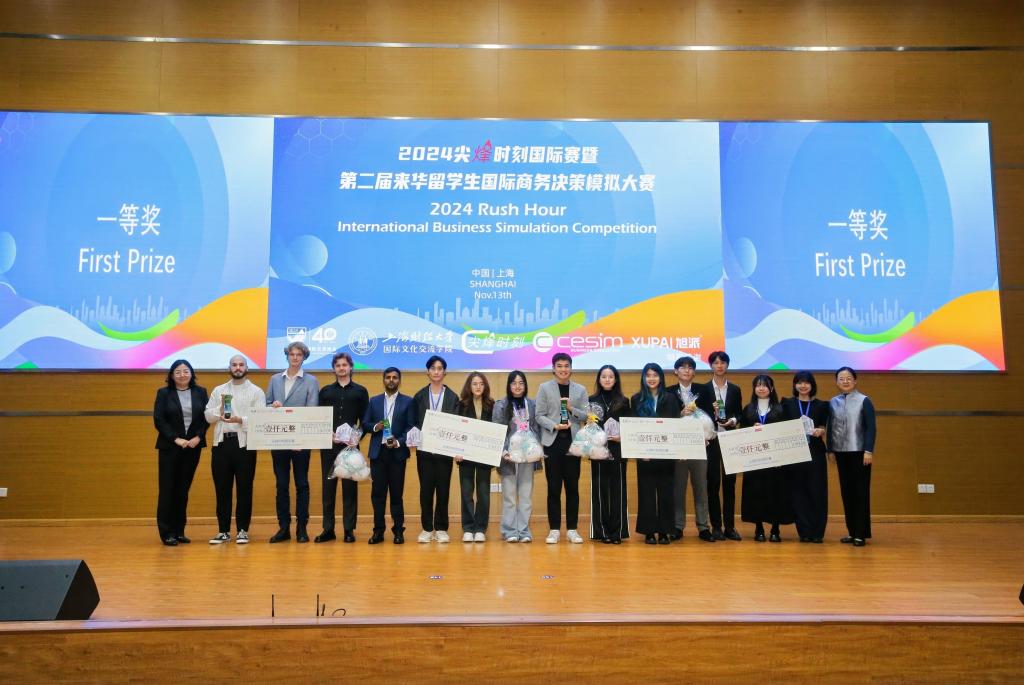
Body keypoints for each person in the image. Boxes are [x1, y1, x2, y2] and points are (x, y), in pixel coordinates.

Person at [203, 355, 266, 545]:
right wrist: (220, 410)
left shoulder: (256, 391)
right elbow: (207, 416)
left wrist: (240, 420)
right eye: (234, 365)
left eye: (241, 365)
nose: (237, 368)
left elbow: (261, 418)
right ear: (229, 367)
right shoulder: (219, 390)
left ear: (247, 368)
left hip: (244, 445)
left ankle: (242, 530)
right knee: (222, 489)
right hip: (221, 445)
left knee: (244, 489)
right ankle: (223, 531)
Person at [266, 341, 320, 544]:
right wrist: (272, 406)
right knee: (281, 485)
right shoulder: (274, 379)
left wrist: (302, 439)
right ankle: (283, 528)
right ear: (287, 356)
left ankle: (301, 528)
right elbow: (265, 405)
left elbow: (312, 411)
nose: (295, 357)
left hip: (300, 442)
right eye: (292, 354)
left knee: (302, 484)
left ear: (304, 357)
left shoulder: (311, 381)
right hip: (278, 440)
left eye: (299, 354)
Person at [152, 359, 209, 546]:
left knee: (183, 490)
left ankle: (179, 531)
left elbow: (206, 418)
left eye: (186, 371)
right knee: (168, 489)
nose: (182, 375)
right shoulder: (163, 393)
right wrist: (176, 439)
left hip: (192, 447)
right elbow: (159, 420)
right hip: (170, 447)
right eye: (178, 372)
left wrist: (198, 437)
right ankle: (166, 532)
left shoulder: (201, 392)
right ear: (171, 375)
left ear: (191, 373)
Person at [535, 352, 590, 544]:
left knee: (573, 488)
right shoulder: (544, 388)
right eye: (559, 366)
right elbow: (539, 415)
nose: (563, 369)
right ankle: (554, 530)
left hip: (573, 443)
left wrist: (572, 409)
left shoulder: (580, 390)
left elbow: (587, 416)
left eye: (566, 366)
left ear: (571, 368)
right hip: (553, 443)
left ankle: (572, 530)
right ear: (553, 368)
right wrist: (554, 425)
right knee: (553, 488)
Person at [315, 352, 369, 544]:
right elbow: (319, 418)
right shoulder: (326, 391)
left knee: (349, 489)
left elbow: (365, 421)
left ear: (350, 367)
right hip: (329, 446)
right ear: (334, 368)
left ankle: (348, 530)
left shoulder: (360, 391)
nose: (341, 368)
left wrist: (357, 436)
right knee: (328, 488)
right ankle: (328, 529)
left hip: (350, 448)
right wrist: (327, 433)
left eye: (344, 365)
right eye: (338, 365)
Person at [362, 367, 416, 544]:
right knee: (377, 495)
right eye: (388, 377)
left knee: (396, 495)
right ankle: (378, 531)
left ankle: (398, 531)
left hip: (397, 454)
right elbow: (365, 423)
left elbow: (410, 427)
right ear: (383, 380)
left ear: (399, 380)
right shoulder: (374, 401)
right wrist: (375, 427)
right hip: (378, 453)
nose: (391, 380)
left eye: (394, 377)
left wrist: (399, 442)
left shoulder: (408, 401)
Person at [665, 356, 715, 543]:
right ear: (675, 371)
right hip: (678, 448)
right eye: (682, 367)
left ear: (694, 372)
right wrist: (680, 414)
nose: (686, 370)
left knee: (701, 487)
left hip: (700, 446)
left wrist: (706, 431)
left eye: (690, 367)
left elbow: (710, 416)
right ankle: (678, 526)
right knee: (678, 488)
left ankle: (703, 527)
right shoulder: (668, 392)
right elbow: (665, 418)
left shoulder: (704, 390)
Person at [631, 363, 681, 545]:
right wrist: (640, 451)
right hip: (645, 455)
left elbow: (676, 425)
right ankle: (649, 531)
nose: (651, 379)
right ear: (643, 378)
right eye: (648, 375)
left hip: (666, 453)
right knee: (647, 493)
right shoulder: (636, 399)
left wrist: (678, 450)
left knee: (666, 492)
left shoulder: (671, 398)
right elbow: (634, 428)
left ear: (661, 377)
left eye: (655, 375)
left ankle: (665, 530)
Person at [412, 355, 460, 543]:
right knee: (425, 491)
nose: (436, 371)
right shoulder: (419, 396)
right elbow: (414, 423)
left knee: (443, 490)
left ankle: (441, 528)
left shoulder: (452, 397)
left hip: (444, 451)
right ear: (428, 372)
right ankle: (426, 528)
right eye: (433, 368)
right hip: (424, 451)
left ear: (444, 372)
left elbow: (456, 424)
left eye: (440, 368)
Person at [739, 374, 793, 543]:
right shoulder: (748, 409)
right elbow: (741, 432)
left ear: (772, 388)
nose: (761, 388)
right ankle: (759, 528)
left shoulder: (781, 408)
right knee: (756, 493)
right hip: (754, 459)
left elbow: (786, 432)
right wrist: (751, 429)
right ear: (754, 388)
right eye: (758, 385)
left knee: (775, 493)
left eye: (765, 385)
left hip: (775, 460)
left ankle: (775, 529)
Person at [827, 366, 877, 547]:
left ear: (855, 381)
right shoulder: (833, 402)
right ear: (836, 382)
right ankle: (852, 531)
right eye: (841, 378)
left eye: (849, 378)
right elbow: (830, 427)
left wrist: (868, 450)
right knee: (847, 493)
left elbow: (871, 428)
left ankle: (861, 533)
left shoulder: (864, 400)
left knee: (860, 493)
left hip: (860, 453)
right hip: (841, 453)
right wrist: (830, 450)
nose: (845, 381)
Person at [492, 371, 541, 543]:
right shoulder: (501, 405)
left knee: (526, 495)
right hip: (508, 458)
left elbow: (537, 428)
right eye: (514, 383)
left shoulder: (532, 404)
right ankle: (510, 530)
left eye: (521, 383)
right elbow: (497, 430)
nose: (518, 386)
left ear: (525, 385)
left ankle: (524, 530)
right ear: (509, 385)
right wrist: (504, 451)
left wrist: (536, 449)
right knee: (510, 496)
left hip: (528, 456)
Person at [782, 371, 829, 543]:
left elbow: (824, 425)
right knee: (798, 493)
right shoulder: (787, 404)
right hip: (795, 454)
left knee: (817, 491)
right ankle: (804, 531)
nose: (803, 386)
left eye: (806, 382)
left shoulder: (822, 405)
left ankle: (817, 532)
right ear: (795, 385)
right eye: (799, 382)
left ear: (812, 385)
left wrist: (821, 430)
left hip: (815, 453)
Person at [704, 350, 743, 541]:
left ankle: (730, 527)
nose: (719, 366)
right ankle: (716, 527)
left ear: (727, 365)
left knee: (730, 484)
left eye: (722, 362)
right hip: (711, 441)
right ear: (710, 365)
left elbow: (739, 413)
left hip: (730, 440)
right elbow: (700, 415)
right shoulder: (704, 389)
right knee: (712, 484)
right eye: (716, 362)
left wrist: (733, 421)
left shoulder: (735, 389)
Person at [588, 365, 630, 544]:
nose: (607, 379)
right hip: (598, 449)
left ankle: (617, 532)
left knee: (618, 491)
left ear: (615, 379)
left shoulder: (624, 401)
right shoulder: (591, 400)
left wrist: (622, 436)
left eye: (610, 376)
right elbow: (588, 426)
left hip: (618, 449)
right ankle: (602, 531)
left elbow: (629, 425)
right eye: (603, 376)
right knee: (600, 491)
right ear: (599, 379)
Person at [456, 372, 495, 542]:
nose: (478, 387)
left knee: (483, 492)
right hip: (465, 454)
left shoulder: (492, 405)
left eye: (481, 384)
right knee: (466, 491)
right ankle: (468, 527)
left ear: (485, 386)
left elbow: (496, 430)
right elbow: (456, 429)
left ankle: (480, 528)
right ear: (469, 386)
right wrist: (456, 450)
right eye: (474, 384)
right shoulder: (461, 405)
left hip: (484, 454)